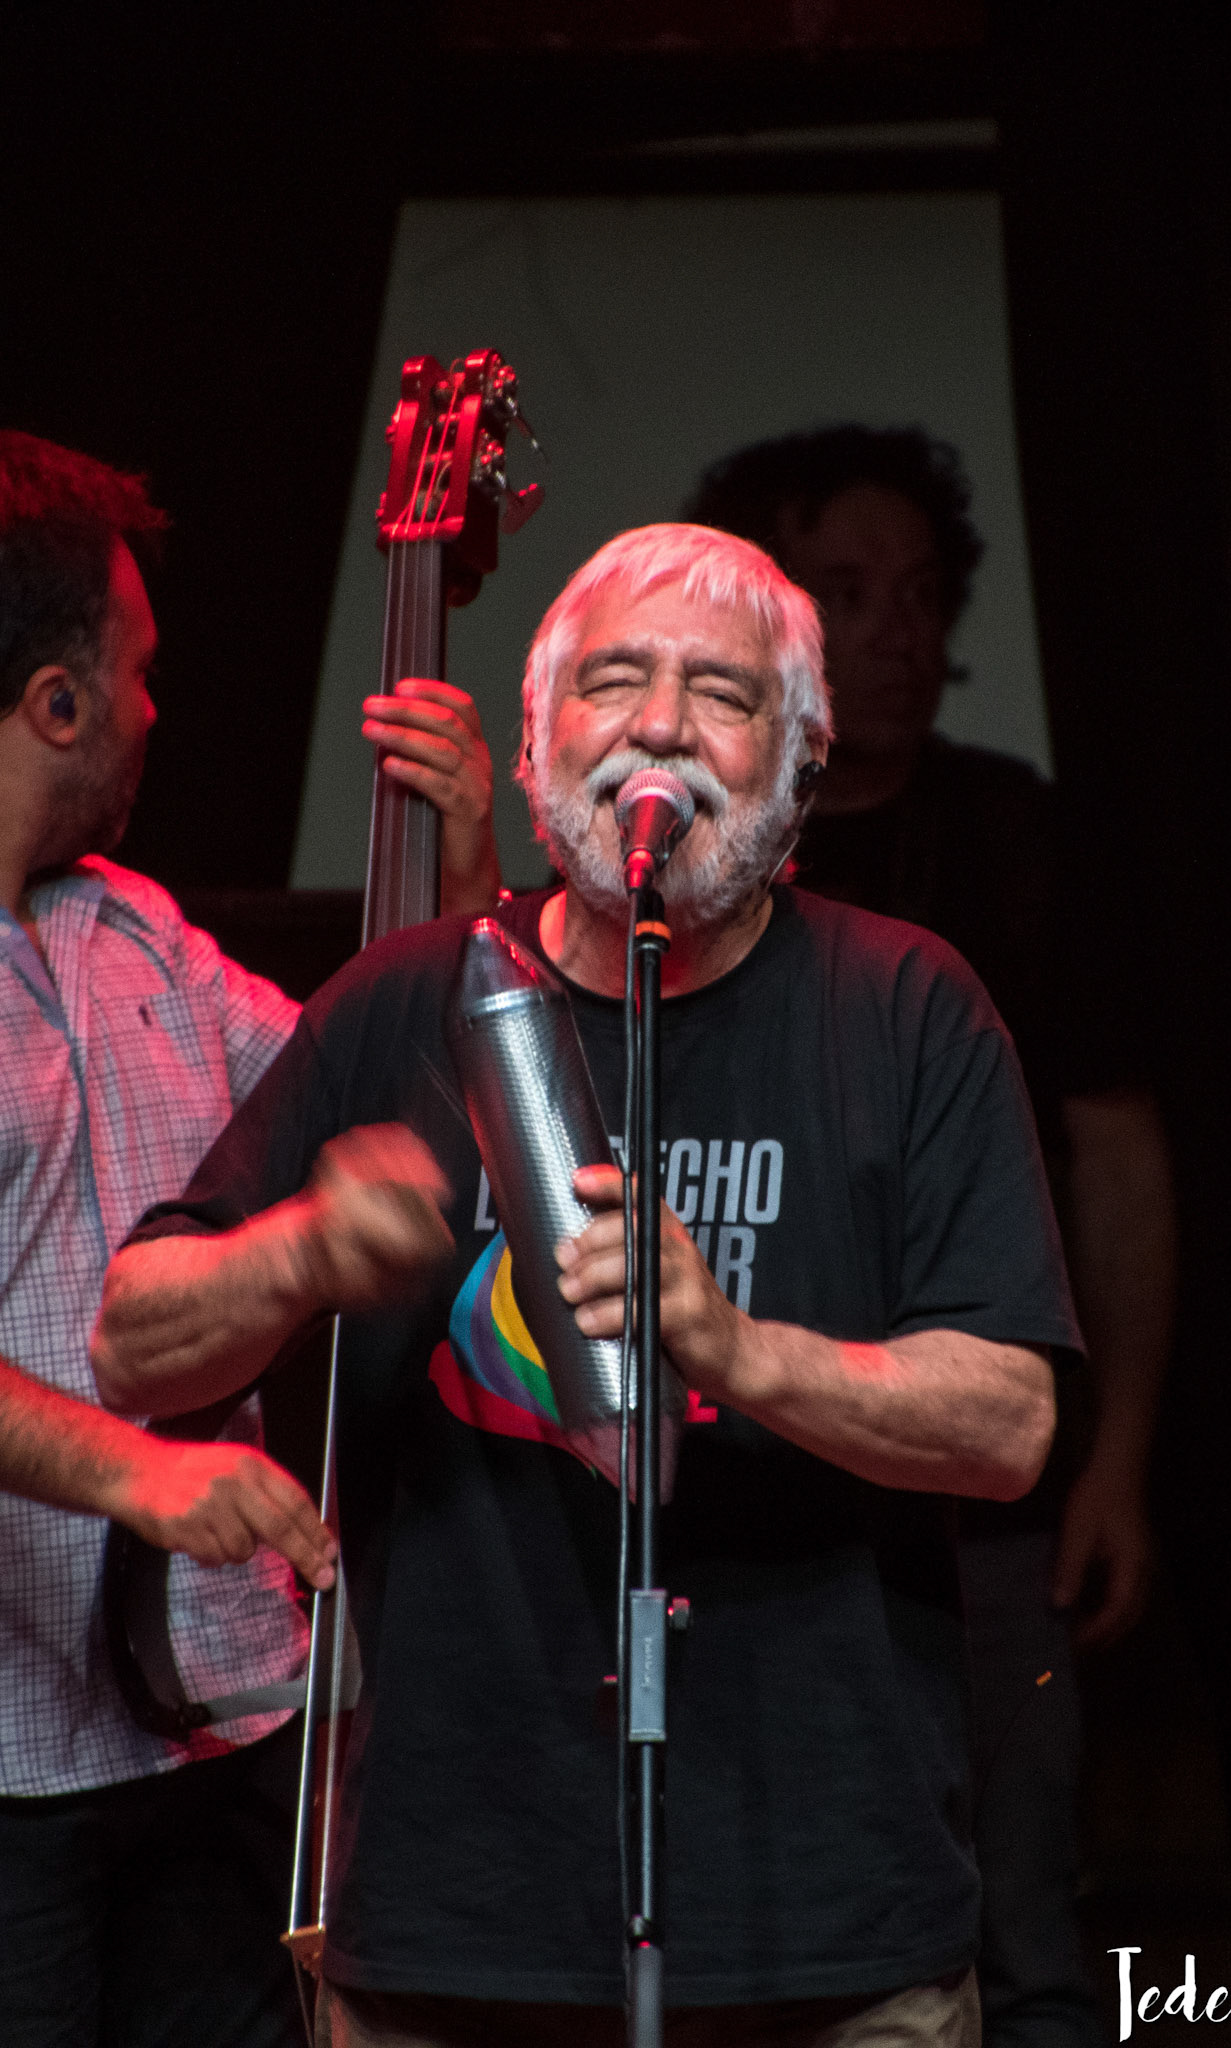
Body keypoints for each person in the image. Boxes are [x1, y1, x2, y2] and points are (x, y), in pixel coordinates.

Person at [94, 521, 1081, 2048]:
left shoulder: (904, 1006)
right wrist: (295, 1253)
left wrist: (732, 1349)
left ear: (802, 763)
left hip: (826, 1930)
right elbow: (130, 1349)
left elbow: (1008, 1423)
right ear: (536, 740)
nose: (660, 726)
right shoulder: (401, 1001)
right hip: (449, 1929)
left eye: (722, 693)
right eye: (613, 682)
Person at [0, 429, 499, 2048]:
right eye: (136, 674)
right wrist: (137, 1470)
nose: (157, 710)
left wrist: (465, 859)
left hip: (208, 1721)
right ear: (56, 704)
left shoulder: (136, 929)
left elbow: (399, 1095)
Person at [685, 428, 1179, 2047]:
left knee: (1021, 1916)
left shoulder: (1018, 839)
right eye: (845, 592)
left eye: (918, 594)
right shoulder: (690, 861)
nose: (893, 631)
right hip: (742, 1494)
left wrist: (1114, 1463)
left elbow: (1115, 1154)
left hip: (985, 1493)